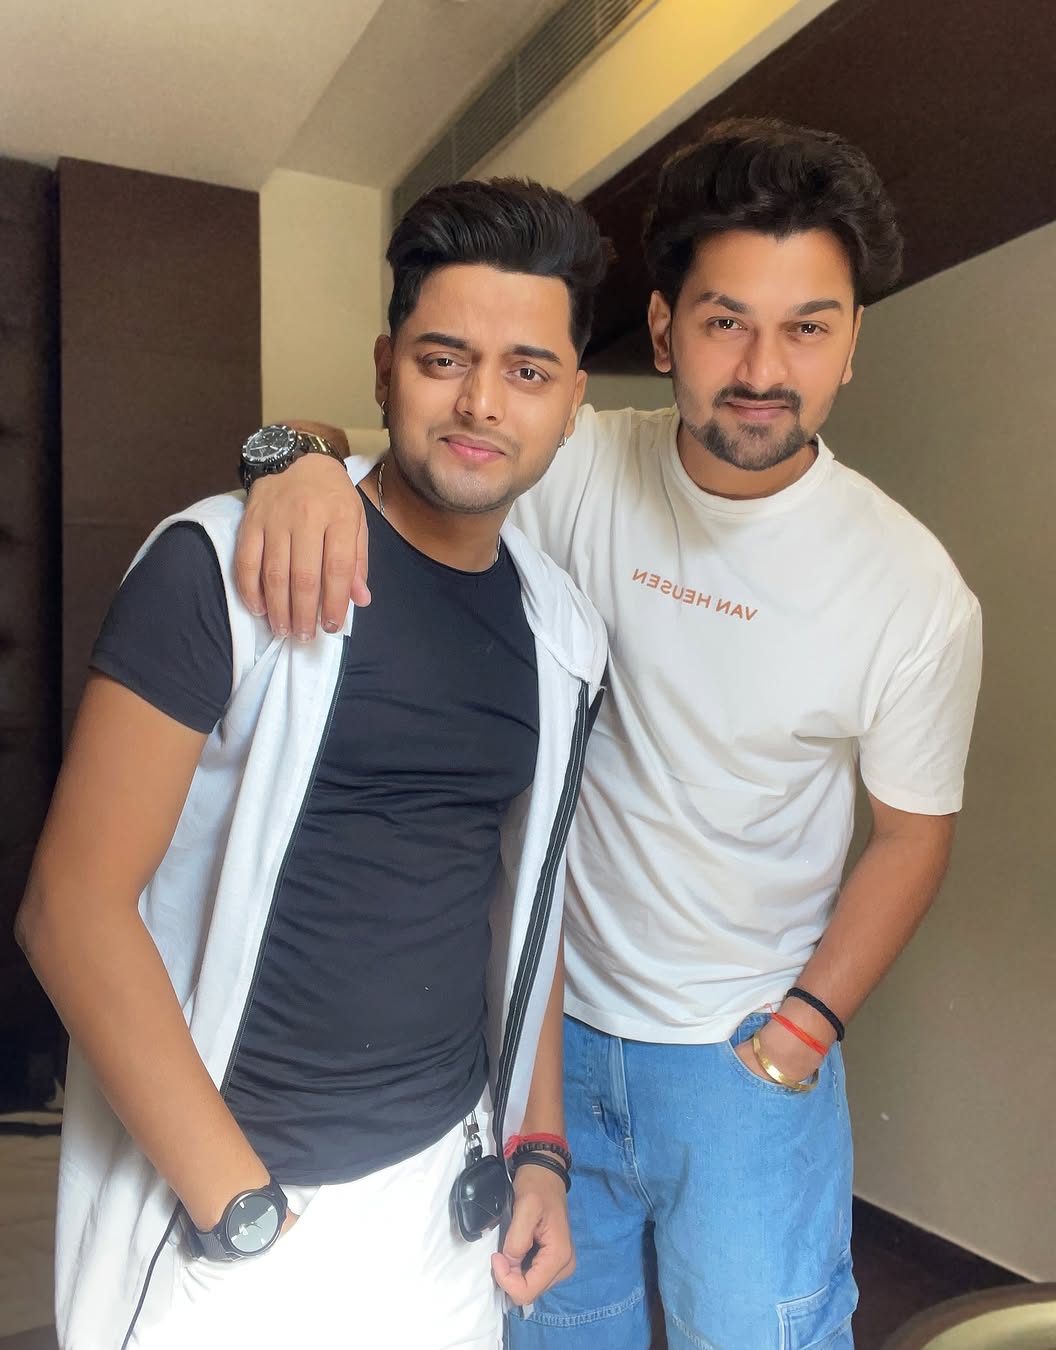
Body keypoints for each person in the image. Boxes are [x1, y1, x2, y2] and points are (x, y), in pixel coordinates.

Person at [228, 119, 983, 1350]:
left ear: (852, 344)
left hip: (740, 1061)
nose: (762, 368)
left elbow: (912, 835)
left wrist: (799, 1037)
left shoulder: (910, 588)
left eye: (808, 328)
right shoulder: (568, 462)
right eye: (726, 321)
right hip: (546, 1039)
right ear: (665, 328)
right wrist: (291, 465)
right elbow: (357, 444)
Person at [16, 178, 611, 1350]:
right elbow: (69, 909)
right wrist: (234, 1201)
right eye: (444, 359)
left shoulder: (563, 634)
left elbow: (527, 911)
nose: (483, 402)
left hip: (446, 1213)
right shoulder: (222, 564)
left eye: (528, 371)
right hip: (242, 1219)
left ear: (573, 400)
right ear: (386, 367)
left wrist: (539, 1150)